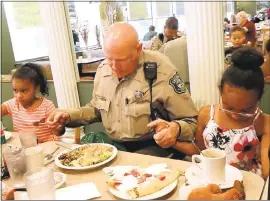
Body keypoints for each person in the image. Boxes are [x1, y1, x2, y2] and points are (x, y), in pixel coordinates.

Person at [46, 23, 198, 158]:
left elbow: (191, 122)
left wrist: (175, 129)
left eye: (121, 60)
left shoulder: (162, 70)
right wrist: (68, 116)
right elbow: (96, 109)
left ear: (138, 49)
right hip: (117, 147)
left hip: (154, 148)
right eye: (108, 58)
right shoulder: (103, 70)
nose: (113, 66)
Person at [173, 47, 269, 180]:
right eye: (228, 107)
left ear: (259, 99)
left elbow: (266, 173)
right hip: (213, 180)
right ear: (220, 91)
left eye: (246, 110)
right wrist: (173, 143)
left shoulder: (262, 122)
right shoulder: (207, 114)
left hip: (247, 183)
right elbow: (200, 151)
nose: (235, 115)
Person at [1, 63, 58, 143]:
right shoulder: (13, 104)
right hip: (25, 148)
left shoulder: (47, 106)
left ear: (37, 88)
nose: (19, 95)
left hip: (48, 148)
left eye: (24, 91)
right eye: (15, 90)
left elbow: (58, 131)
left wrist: (57, 127)